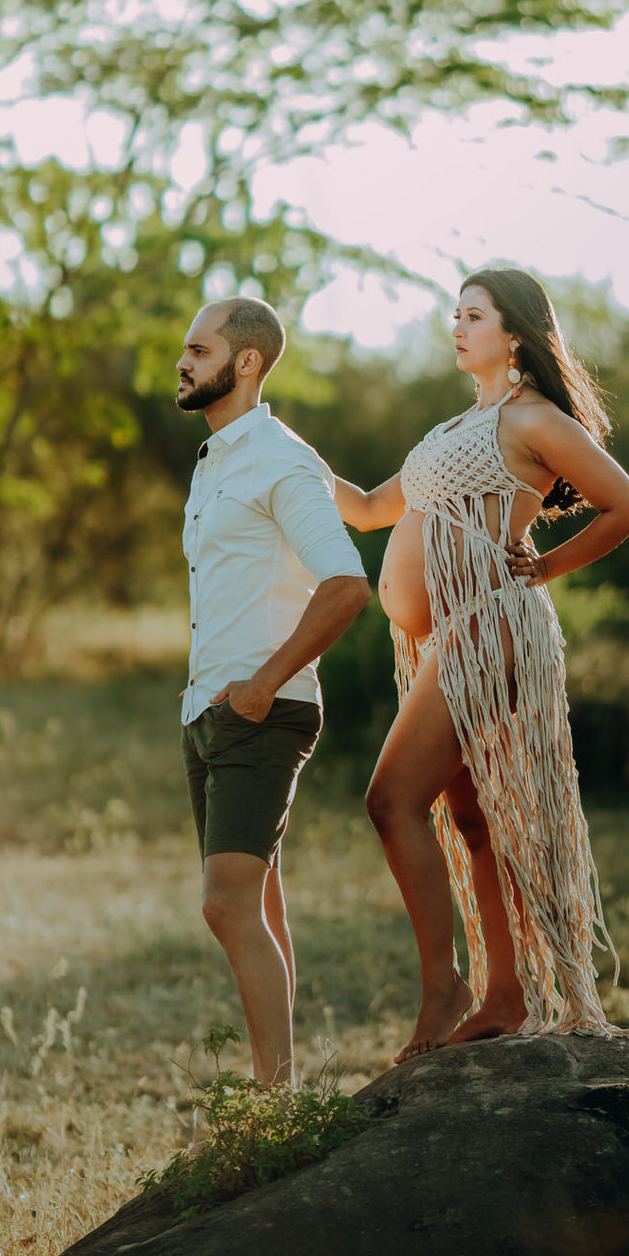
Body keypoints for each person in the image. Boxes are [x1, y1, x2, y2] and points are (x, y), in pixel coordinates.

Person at [333, 266, 629, 1063]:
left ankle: (447, 992)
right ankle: (504, 996)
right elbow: (372, 510)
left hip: (489, 630)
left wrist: (546, 568)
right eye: (455, 313)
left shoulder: (532, 418)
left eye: (473, 315)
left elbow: (628, 506)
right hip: (449, 640)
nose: (457, 325)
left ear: (515, 335)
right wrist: (281, 455)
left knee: (391, 799)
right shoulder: (452, 429)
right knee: (471, 819)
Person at [175, 296, 370, 1086]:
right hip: (209, 714)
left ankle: (272, 1108)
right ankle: (280, 1102)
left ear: (245, 362)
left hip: (262, 712)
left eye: (198, 348)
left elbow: (346, 585)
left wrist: (262, 684)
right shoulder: (218, 457)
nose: (182, 362)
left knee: (225, 905)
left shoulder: (281, 460)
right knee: (261, 905)